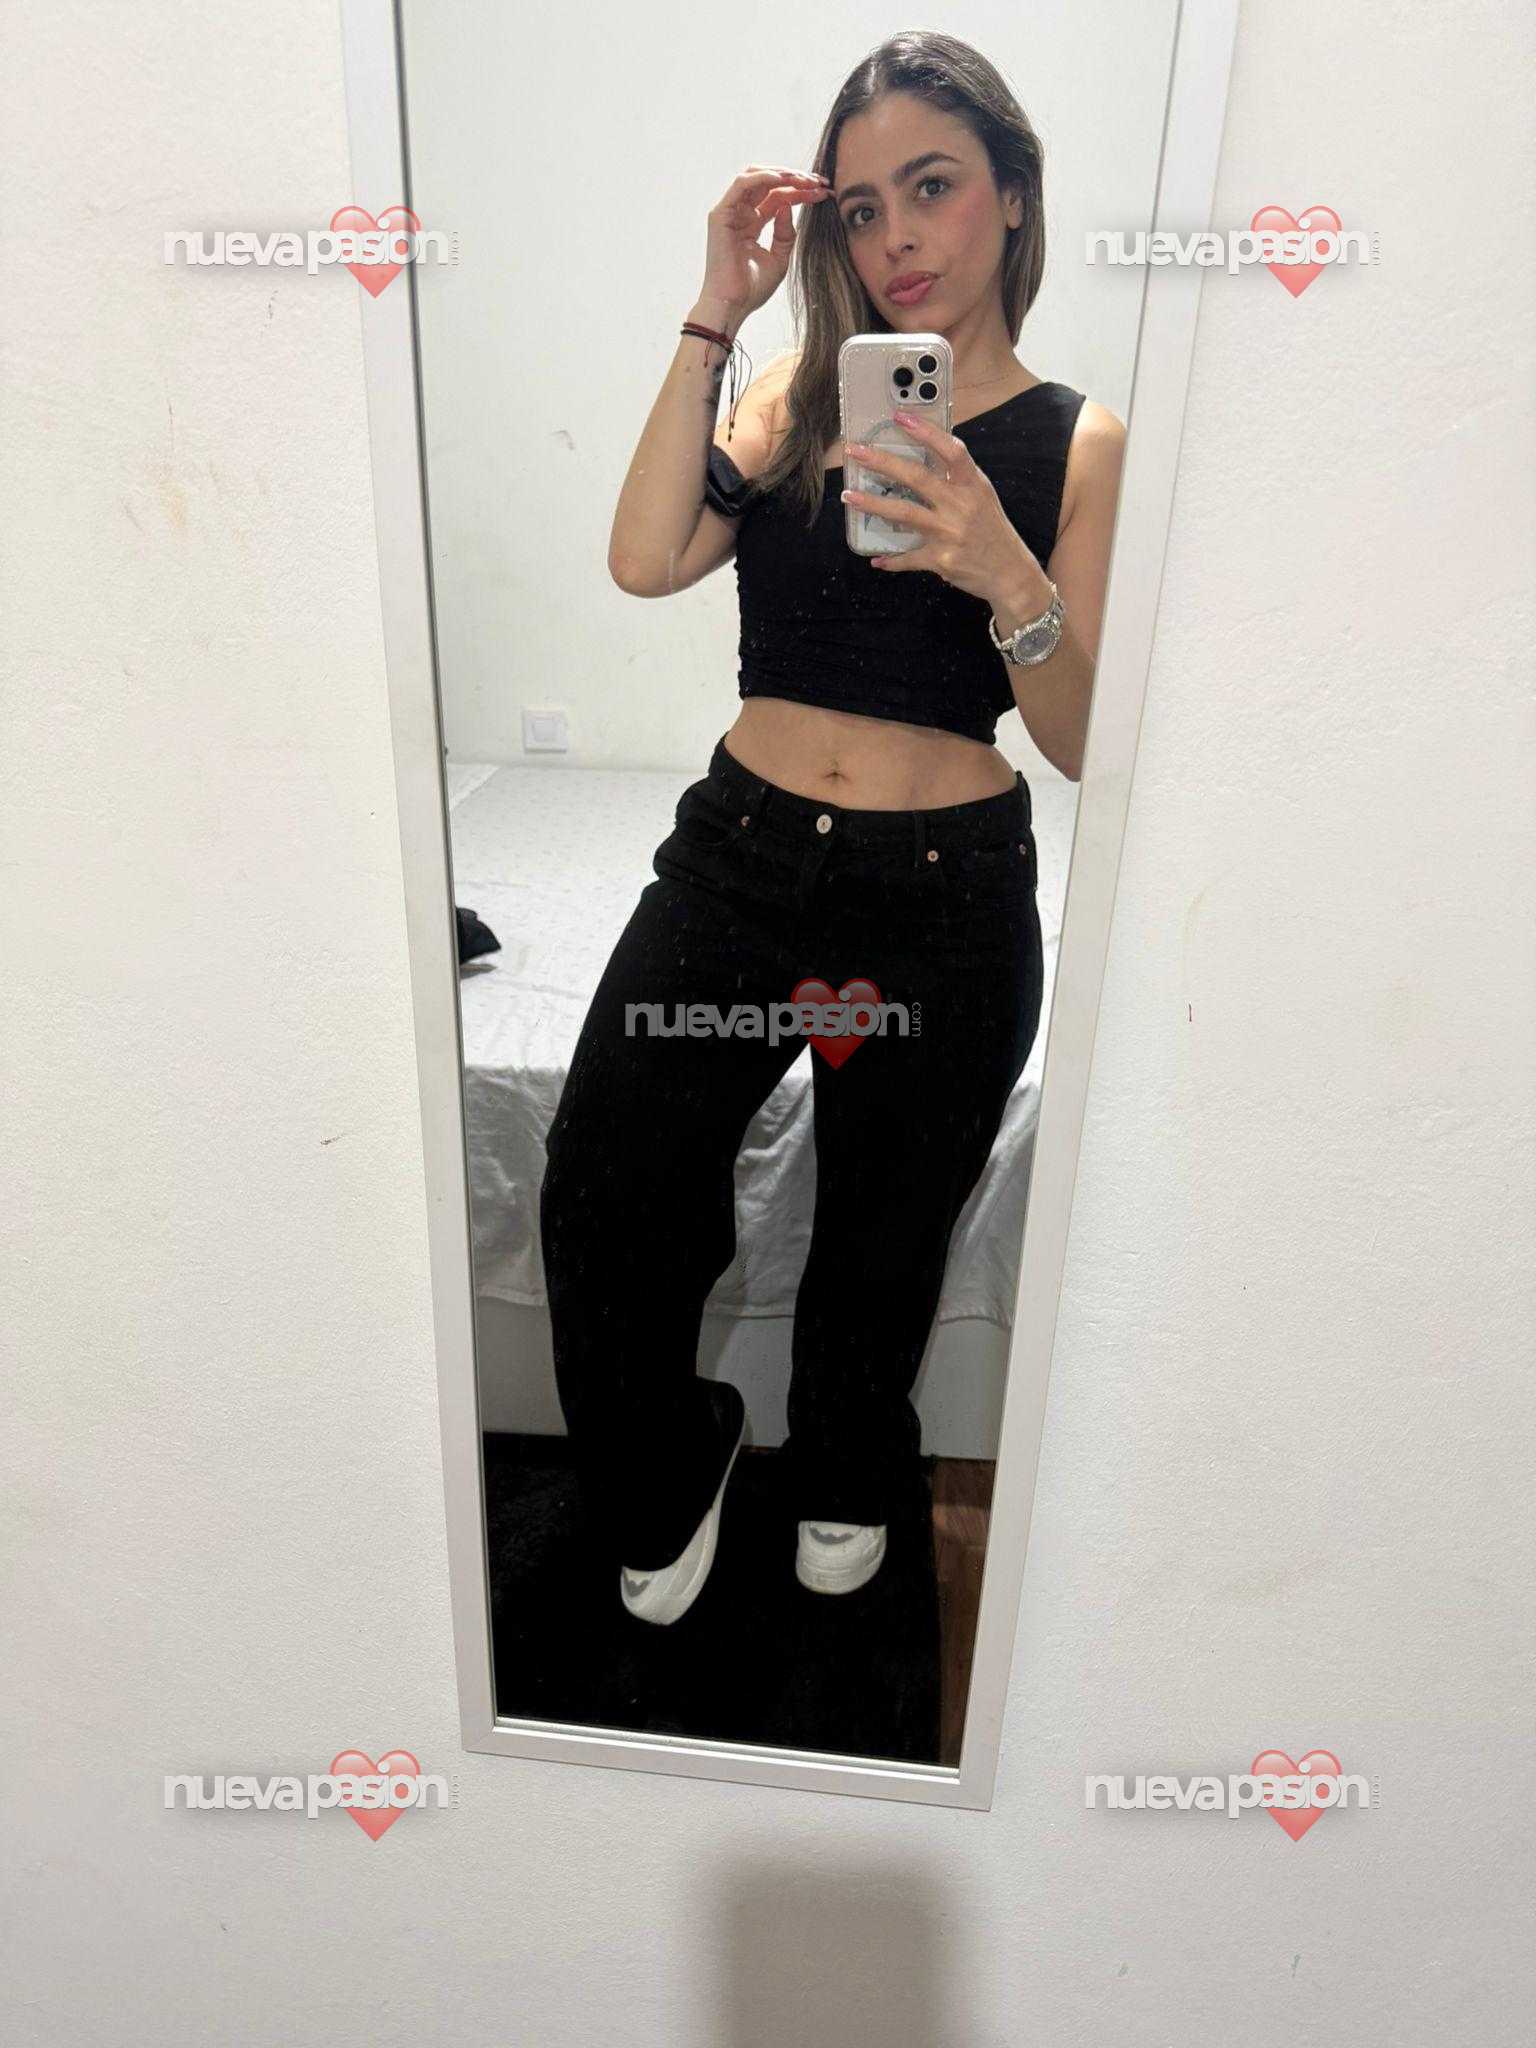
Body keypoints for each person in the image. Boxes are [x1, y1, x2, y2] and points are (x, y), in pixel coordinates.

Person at [538, 31, 1124, 1627]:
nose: (897, 238)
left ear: (1013, 194)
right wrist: (716, 312)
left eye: (932, 187)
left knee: (884, 1237)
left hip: (948, 896)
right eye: (861, 209)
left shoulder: (1079, 441)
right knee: (604, 1186)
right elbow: (647, 558)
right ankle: (680, 1447)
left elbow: (1084, 739)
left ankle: (852, 1460)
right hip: (740, 864)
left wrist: (1006, 569)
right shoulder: (798, 395)